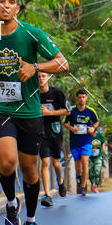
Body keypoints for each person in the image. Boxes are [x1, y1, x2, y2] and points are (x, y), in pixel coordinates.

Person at [0, 0, 68, 225]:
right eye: (0, 1)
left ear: (18, 8)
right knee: (7, 161)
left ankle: (32, 221)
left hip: (29, 111)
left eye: (11, 2)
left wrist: (35, 67)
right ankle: (12, 203)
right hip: (0, 109)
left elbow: (62, 63)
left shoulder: (31, 34)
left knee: (30, 170)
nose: (5, 5)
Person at [38, 71, 69, 206]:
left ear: (49, 77)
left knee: (56, 163)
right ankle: (47, 195)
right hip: (41, 133)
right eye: (38, 76)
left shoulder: (56, 93)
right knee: (45, 163)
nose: (41, 79)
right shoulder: (34, 94)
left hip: (55, 131)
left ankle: (60, 182)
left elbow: (67, 111)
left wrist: (49, 113)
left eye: (43, 76)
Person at [64, 88, 99, 196]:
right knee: (78, 166)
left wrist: (93, 128)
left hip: (87, 141)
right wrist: (71, 128)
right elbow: (64, 123)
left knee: (85, 161)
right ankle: (79, 175)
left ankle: (83, 187)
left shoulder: (90, 111)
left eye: (83, 97)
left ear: (86, 98)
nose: (81, 99)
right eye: (79, 97)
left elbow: (97, 122)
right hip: (75, 142)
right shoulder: (72, 110)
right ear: (77, 98)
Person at [89, 126, 107, 193]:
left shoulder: (99, 135)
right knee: (91, 172)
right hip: (90, 157)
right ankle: (92, 183)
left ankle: (95, 186)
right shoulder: (87, 137)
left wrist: (103, 147)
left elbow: (103, 142)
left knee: (97, 171)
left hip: (98, 156)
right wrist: (91, 149)